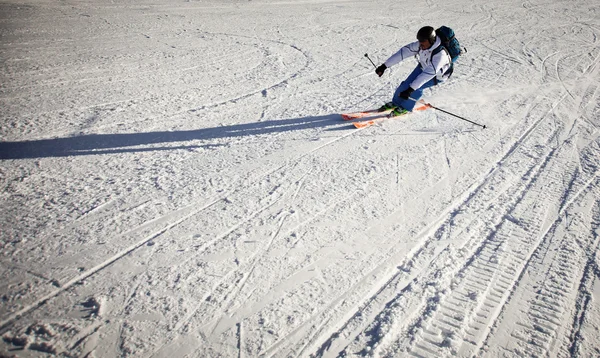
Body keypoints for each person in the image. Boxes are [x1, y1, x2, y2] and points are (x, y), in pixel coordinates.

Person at [375, 26, 453, 116]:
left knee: (416, 88)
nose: (420, 44)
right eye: (420, 41)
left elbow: (428, 74)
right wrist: (384, 66)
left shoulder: (440, 55)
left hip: (437, 75)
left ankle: (406, 107)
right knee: (405, 85)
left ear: (431, 40)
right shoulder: (421, 45)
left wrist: (410, 90)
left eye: (423, 41)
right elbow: (403, 53)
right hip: (423, 66)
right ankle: (396, 102)